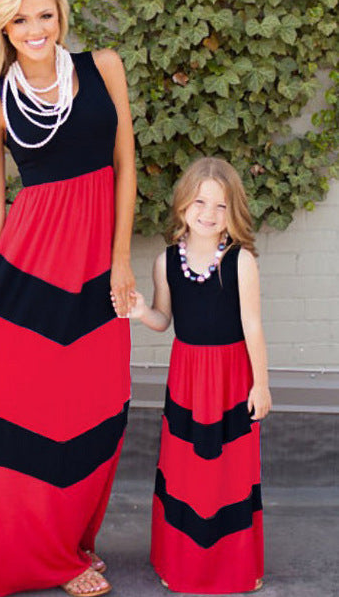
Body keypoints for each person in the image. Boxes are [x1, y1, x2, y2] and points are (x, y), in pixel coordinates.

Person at [0, 0, 136, 595]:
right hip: (27, 266)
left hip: (95, 268)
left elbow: (125, 165)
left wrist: (120, 260)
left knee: (94, 408)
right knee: (10, 406)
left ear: (60, 17)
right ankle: (44, 557)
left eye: (45, 16)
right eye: (21, 20)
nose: (35, 30)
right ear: (3, 28)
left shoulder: (103, 67)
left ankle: (66, 543)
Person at [125, 157, 271, 593]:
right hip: (187, 377)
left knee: (231, 471)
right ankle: (180, 563)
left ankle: (237, 567)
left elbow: (253, 326)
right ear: (183, 204)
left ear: (233, 211)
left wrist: (261, 384)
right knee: (186, 471)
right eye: (200, 202)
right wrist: (140, 311)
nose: (209, 213)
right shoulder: (166, 262)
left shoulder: (241, 262)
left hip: (231, 377)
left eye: (221, 205)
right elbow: (163, 318)